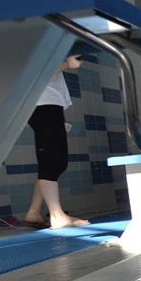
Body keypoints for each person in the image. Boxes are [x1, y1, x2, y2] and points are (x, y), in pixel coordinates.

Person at [23, 49, 90, 229]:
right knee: (51, 160)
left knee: (58, 162)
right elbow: (36, 70)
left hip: (49, 103)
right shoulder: (32, 40)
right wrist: (67, 64)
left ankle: (34, 212)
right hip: (41, 103)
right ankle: (56, 215)